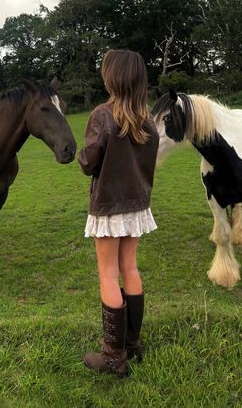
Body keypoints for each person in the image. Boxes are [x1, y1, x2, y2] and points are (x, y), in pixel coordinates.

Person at [78, 49, 159, 377]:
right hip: (137, 204)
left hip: (109, 206)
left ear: (112, 78)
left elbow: (89, 162)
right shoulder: (148, 118)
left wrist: (84, 154)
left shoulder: (102, 115)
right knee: (131, 269)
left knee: (109, 274)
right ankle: (133, 344)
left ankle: (114, 357)